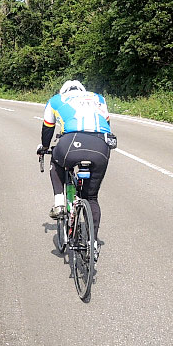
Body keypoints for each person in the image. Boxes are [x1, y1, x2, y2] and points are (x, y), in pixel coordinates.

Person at [36, 79, 112, 245]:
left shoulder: (56, 100)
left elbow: (48, 128)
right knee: (91, 197)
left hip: (71, 142)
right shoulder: (98, 98)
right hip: (101, 144)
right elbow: (106, 122)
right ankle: (92, 242)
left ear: (63, 91)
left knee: (56, 161)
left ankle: (59, 203)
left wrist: (45, 147)